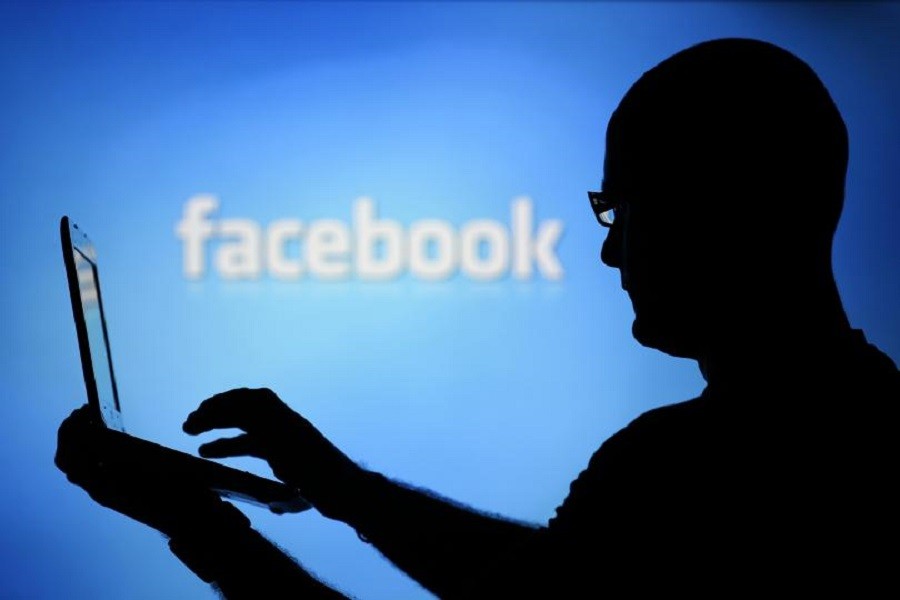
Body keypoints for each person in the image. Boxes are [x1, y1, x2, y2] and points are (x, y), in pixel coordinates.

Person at [56, 37, 899, 598]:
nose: (612, 256)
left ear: (721, 205)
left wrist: (198, 527)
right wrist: (341, 485)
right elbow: (541, 581)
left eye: (623, 209)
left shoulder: (680, 467)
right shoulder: (864, 425)